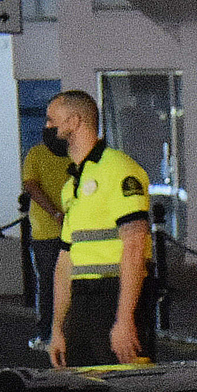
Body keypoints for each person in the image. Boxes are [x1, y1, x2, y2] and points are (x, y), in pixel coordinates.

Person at [45, 89, 155, 367]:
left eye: (51, 120)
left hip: (115, 294)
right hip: (82, 301)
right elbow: (65, 262)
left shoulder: (120, 170)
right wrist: (57, 329)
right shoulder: (72, 184)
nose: (47, 128)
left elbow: (134, 246)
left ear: (73, 121)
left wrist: (125, 319)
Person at [20, 120, 72, 332]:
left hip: (46, 230)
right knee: (64, 281)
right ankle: (60, 328)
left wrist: (53, 213)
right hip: (66, 227)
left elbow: (31, 186)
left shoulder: (36, 154)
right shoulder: (69, 154)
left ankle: (48, 329)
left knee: (48, 281)